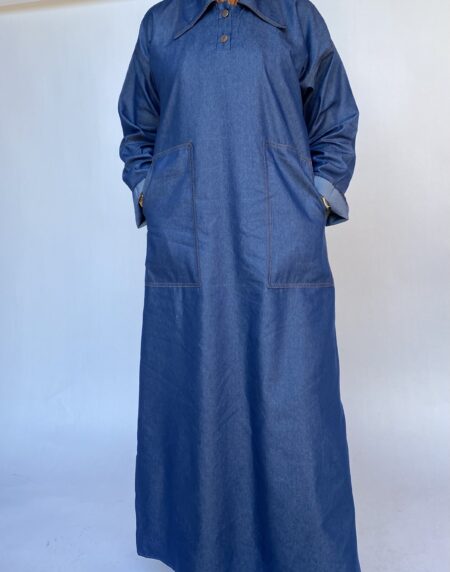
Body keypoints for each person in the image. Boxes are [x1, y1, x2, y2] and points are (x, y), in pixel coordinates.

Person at [117, 1, 361, 570]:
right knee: (198, 397)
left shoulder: (294, 16)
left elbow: (335, 115)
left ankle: (304, 554)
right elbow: (138, 127)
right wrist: (154, 191)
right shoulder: (161, 24)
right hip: (191, 245)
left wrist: (316, 197)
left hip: (280, 240)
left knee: (294, 405)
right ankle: (203, 550)